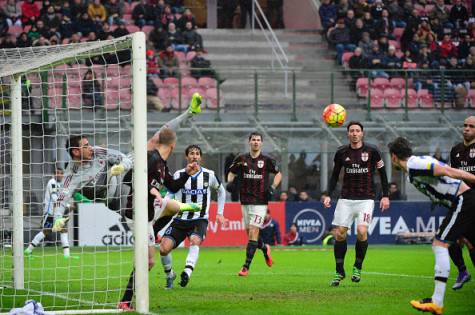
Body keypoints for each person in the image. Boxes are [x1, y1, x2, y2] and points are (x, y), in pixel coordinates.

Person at [118, 94, 204, 310]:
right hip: (136, 214)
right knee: (147, 261)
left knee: (172, 207)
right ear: (173, 144)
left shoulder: (163, 165)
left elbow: (174, 186)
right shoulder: (150, 157)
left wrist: (187, 173)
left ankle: (126, 300)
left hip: (147, 214)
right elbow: (131, 179)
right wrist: (152, 190)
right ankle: (126, 301)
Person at [387, 137, 475, 315]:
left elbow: (447, 171)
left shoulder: (415, 165)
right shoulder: (413, 167)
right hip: (464, 201)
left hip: (463, 201)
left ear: (394, 157)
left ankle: (437, 302)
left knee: (439, 244)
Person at [322, 121, 390, 286]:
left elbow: (382, 174)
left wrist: (385, 195)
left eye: (357, 131)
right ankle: (339, 271)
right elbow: (334, 176)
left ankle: (357, 267)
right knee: (339, 234)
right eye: (351, 131)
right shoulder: (341, 152)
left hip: (366, 199)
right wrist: (327, 194)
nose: (354, 133)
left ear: (362, 133)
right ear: (348, 134)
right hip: (345, 199)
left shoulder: (372, 151)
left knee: (361, 230)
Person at [158, 144, 227, 289]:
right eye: (191, 153)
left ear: (200, 157)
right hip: (180, 219)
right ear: (186, 156)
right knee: (164, 249)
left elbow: (221, 192)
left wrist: (220, 213)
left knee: (195, 240)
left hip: (200, 219)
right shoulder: (179, 174)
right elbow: (171, 193)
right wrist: (163, 204)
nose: (194, 156)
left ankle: (187, 272)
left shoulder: (209, 174)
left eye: (197, 153)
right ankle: (170, 275)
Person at [226, 132, 282, 276]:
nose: (256, 142)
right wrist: (230, 183)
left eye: (258, 140)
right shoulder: (241, 158)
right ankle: (265, 248)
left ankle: (246, 267)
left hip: (260, 201)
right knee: (251, 235)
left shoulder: (267, 160)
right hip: (244, 201)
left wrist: (273, 187)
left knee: (253, 231)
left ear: (261, 143)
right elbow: (231, 172)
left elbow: (278, 174)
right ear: (249, 142)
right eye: (253, 140)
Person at [447, 116, 475, 290]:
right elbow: (451, 175)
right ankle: (462, 271)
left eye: (471, 126)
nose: (466, 128)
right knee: (449, 239)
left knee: (472, 243)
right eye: (465, 125)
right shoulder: (455, 150)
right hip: (460, 202)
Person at [24, 168, 75, 258]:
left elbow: (62, 198)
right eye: (57, 173)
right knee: (49, 231)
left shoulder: (61, 184)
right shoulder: (52, 182)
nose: (59, 175)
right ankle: (29, 250)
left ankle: (66, 255)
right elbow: (55, 197)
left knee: (58, 230)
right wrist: (67, 206)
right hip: (50, 212)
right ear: (54, 174)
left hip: (57, 212)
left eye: (61, 173)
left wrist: (67, 205)